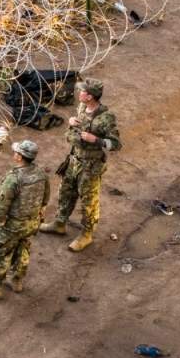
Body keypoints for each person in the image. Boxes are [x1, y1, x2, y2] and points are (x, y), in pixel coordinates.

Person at [39, 79, 121, 251]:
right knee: (65, 192)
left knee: (89, 202)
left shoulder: (106, 118)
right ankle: (60, 223)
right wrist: (71, 123)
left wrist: (96, 140)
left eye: (82, 91)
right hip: (74, 160)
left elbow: (116, 144)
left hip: (90, 167)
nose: (79, 93)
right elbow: (74, 131)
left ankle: (86, 235)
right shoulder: (82, 107)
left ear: (90, 96)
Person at [0, 140, 51, 299]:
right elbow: (46, 197)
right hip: (31, 222)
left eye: (16, 152)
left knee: (0, 252)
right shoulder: (41, 173)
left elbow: (2, 203)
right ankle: (16, 281)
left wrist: (0, 221)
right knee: (23, 249)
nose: (14, 153)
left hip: (12, 224)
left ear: (19, 157)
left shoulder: (14, 178)